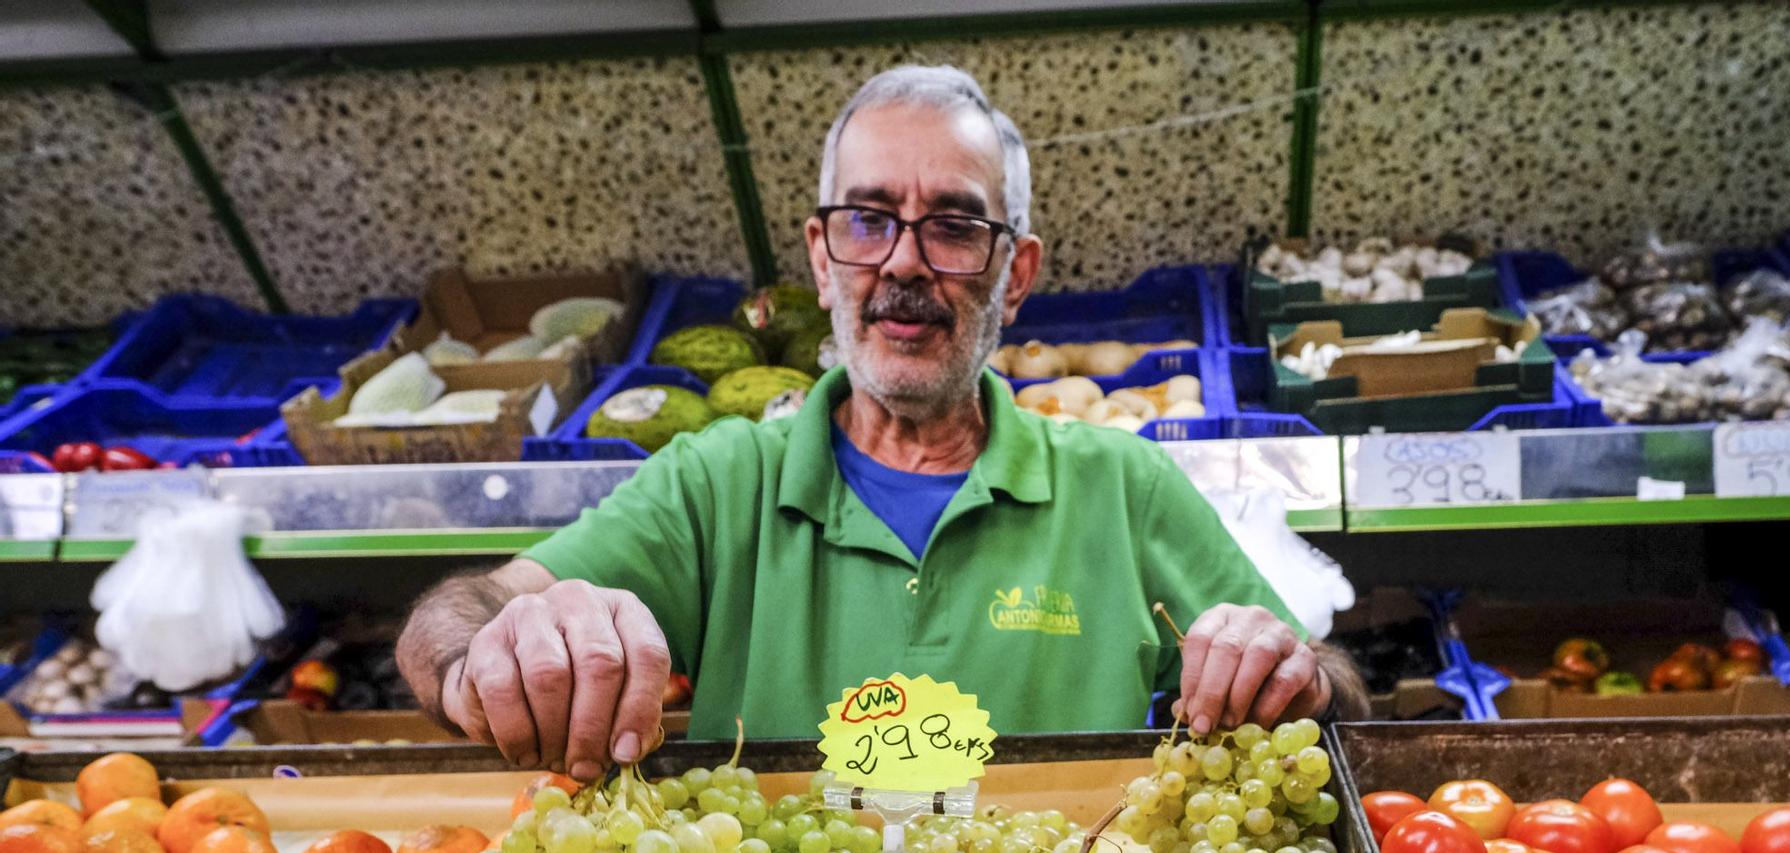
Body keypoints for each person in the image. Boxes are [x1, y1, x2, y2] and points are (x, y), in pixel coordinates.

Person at [397, 65, 1367, 782]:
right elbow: (453, 616)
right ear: (822, 262)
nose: (903, 262)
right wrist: (494, 655)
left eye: (953, 225)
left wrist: (1292, 673)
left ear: (1014, 276)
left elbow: (1337, 698)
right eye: (866, 220)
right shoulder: (717, 483)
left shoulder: (1122, 488)